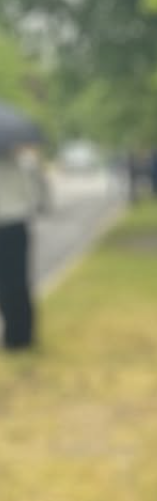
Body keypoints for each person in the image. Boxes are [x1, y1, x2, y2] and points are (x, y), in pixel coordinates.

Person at [0, 143, 46, 350]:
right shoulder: (25, 163)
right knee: (19, 282)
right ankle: (23, 335)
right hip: (17, 226)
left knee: (4, 283)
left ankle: (11, 333)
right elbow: (38, 195)